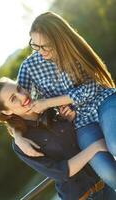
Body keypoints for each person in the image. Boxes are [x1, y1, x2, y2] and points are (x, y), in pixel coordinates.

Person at [17, 11, 116, 190]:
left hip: (103, 101)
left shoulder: (72, 49)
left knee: (115, 144)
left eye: (46, 46)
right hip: (80, 123)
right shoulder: (29, 67)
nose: (41, 52)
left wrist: (48, 103)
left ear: (59, 40)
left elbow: (91, 88)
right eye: (35, 45)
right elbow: (14, 105)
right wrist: (17, 136)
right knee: (107, 171)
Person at [0, 77, 115, 200]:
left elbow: (77, 138)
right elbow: (61, 172)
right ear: (6, 112)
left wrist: (70, 120)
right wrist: (95, 147)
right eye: (13, 99)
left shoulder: (51, 108)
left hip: (105, 185)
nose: (22, 96)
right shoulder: (22, 144)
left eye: (19, 89)